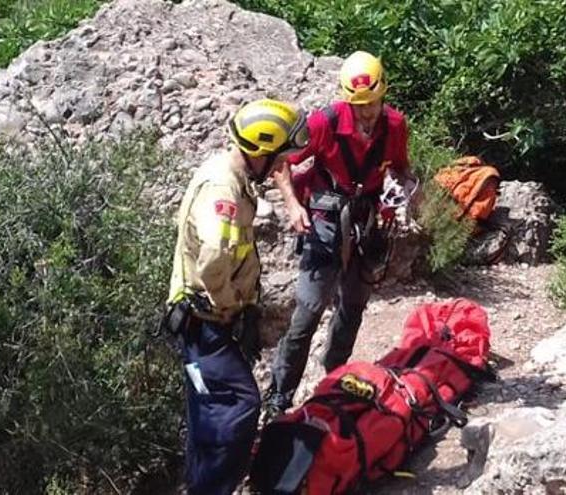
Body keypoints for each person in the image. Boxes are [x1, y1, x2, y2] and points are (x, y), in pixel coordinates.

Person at [162, 98, 308, 495]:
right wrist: (229, 305)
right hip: (205, 323)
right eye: (279, 157)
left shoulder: (231, 175)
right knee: (237, 410)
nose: (282, 166)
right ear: (260, 151)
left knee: (206, 414)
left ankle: (197, 483)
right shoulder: (223, 191)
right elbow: (212, 261)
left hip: (205, 322)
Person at [263, 51, 417, 422]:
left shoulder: (394, 125)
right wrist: (292, 206)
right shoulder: (324, 123)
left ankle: (333, 379)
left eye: (371, 104)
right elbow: (281, 162)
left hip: (365, 222)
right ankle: (279, 395)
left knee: (353, 306)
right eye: (358, 105)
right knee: (309, 310)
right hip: (325, 221)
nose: (365, 113)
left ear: (383, 94)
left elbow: (400, 167)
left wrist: (407, 197)